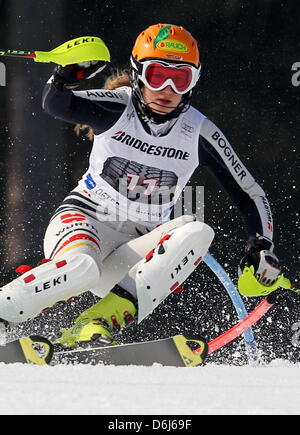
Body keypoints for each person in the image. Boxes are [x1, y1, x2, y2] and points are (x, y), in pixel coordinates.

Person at [0, 24, 281, 349]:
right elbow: (57, 105)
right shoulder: (119, 107)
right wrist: (65, 76)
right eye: (157, 74)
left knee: (197, 231)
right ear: (138, 74)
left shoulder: (198, 131)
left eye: (181, 79)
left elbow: (250, 194)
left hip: (132, 249)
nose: (167, 89)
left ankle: (94, 325)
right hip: (84, 221)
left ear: (194, 82)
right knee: (84, 268)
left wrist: (262, 246)